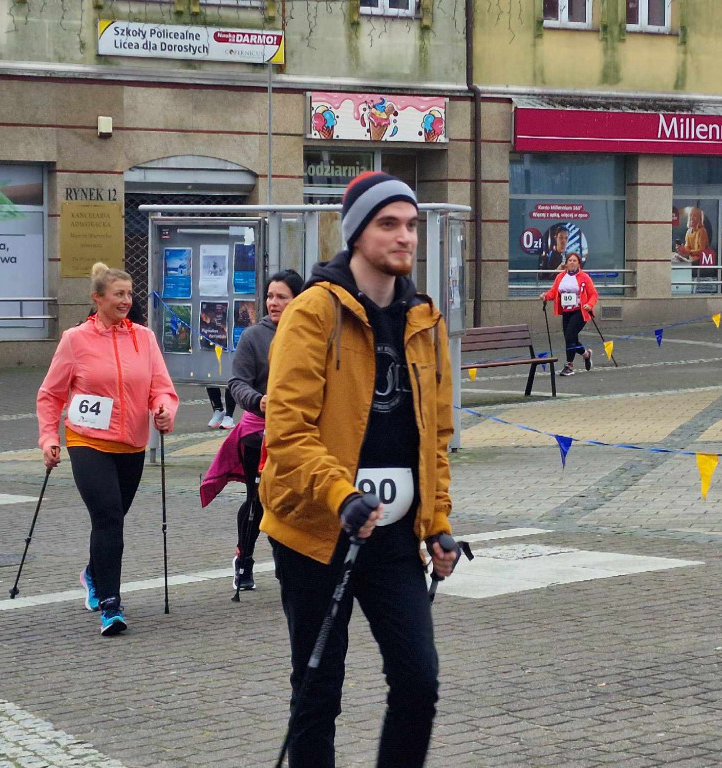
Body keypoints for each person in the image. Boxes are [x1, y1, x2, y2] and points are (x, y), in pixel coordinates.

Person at [259, 172, 461, 767]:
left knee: (419, 681)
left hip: (394, 537)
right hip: (317, 531)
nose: (405, 237)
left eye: (412, 225)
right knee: (319, 688)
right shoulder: (313, 313)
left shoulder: (424, 319)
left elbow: (437, 437)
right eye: (388, 224)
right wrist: (342, 494)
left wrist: (438, 523)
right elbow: (287, 429)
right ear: (355, 233)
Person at [37, 262, 178, 636]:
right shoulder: (75, 340)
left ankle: (92, 573)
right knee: (109, 516)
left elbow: (161, 388)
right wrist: (49, 438)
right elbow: (50, 395)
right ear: (97, 298)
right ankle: (111, 605)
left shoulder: (144, 338)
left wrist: (164, 411)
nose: (126, 301)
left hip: (131, 444)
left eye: (130, 294)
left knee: (112, 518)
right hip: (87, 440)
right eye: (118, 294)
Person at [200, 269, 304, 592]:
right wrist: (258, 401)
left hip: (297, 431)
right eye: (270, 296)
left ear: (298, 300)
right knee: (259, 498)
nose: (273, 303)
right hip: (257, 432)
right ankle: (244, 559)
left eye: (281, 297)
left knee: (292, 499)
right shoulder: (253, 337)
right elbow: (236, 383)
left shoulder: (309, 335)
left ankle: (287, 562)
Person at [540, 252, 598, 376]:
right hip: (566, 312)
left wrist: (590, 305)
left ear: (578, 263)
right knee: (570, 338)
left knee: (570, 337)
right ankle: (586, 354)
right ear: (566, 263)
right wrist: (545, 296)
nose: (571, 262)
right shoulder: (560, 277)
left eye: (574, 260)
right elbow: (553, 292)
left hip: (580, 312)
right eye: (569, 260)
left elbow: (593, 294)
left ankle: (569, 366)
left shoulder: (584, 277)